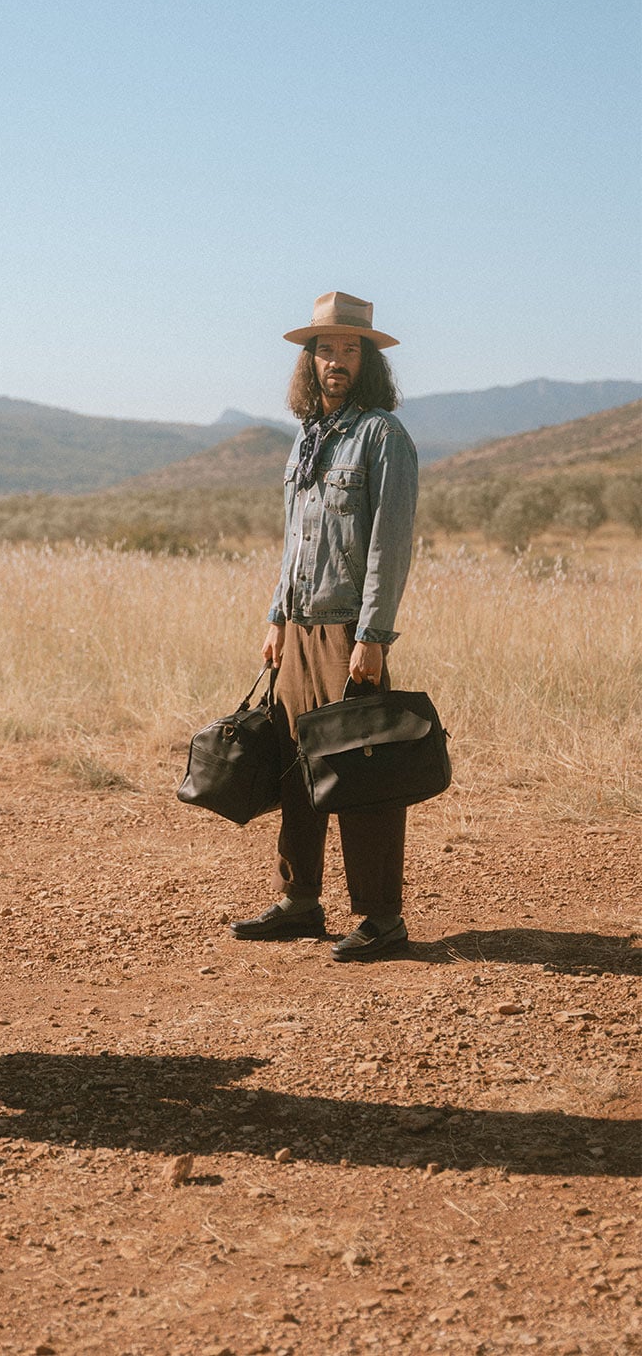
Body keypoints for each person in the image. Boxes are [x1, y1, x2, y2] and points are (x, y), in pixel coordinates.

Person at [229, 292, 419, 962]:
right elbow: (294, 541)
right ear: (309, 361)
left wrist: (373, 635)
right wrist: (276, 616)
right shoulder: (309, 437)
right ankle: (299, 901)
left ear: (368, 361)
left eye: (350, 349)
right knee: (293, 767)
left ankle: (382, 917)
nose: (336, 360)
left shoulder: (382, 437)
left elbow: (389, 545)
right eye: (326, 349)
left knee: (362, 773)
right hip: (298, 629)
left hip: (347, 632)